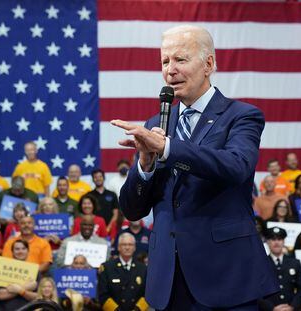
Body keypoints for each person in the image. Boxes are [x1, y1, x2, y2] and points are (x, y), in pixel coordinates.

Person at [112, 25, 278, 309]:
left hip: (226, 277)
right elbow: (133, 210)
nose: (170, 70)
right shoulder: (156, 124)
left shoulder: (241, 116)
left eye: (180, 59)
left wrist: (167, 148)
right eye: (165, 61)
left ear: (208, 64)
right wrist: (145, 165)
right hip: (168, 282)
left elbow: (235, 166)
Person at [259, 227, 301, 310]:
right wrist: (271, 308)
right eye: (273, 239)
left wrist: (292, 306)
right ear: (267, 242)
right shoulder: (261, 264)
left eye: (279, 239)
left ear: (284, 241)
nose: (276, 242)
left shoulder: (295, 263)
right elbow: (257, 291)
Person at [98, 233, 148, 311]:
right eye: (124, 245)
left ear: (134, 247)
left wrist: (138, 309)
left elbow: (147, 294)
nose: (127, 247)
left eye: (130, 245)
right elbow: (103, 294)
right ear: (118, 247)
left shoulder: (143, 269)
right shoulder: (107, 267)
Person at [0, 240, 39, 310]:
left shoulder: (35, 270)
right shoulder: (2, 267)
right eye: (17, 249)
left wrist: (19, 290)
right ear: (12, 252)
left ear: (28, 251)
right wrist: (25, 287)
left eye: (23, 248)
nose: (20, 251)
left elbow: (37, 297)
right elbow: (1, 295)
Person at [88, 169, 119, 233]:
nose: (98, 179)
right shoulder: (89, 195)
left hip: (110, 229)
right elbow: (87, 213)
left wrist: (108, 228)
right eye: (95, 177)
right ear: (93, 179)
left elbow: (116, 214)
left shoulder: (112, 194)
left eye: (100, 176)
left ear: (104, 178)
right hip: (94, 229)